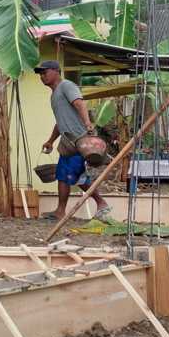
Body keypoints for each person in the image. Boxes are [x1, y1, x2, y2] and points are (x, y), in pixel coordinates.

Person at [36, 60, 111, 220]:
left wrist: (88, 124)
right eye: (40, 74)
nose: (42, 76)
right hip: (67, 141)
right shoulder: (54, 95)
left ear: (56, 71)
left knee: (73, 176)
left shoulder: (66, 86)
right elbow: (60, 122)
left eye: (45, 72)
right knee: (64, 175)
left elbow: (79, 104)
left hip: (79, 140)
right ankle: (60, 211)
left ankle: (101, 203)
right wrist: (50, 140)